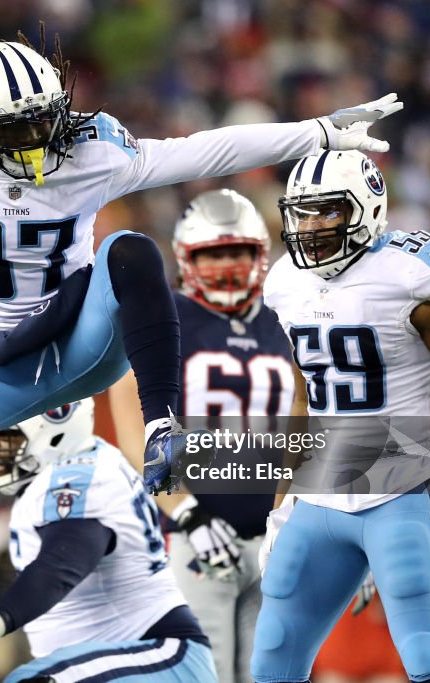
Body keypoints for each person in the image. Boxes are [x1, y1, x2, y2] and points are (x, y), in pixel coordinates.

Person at [0, 29, 403, 655]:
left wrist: (318, 133)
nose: (34, 142)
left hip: (83, 340)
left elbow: (202, 151)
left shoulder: (90, 153)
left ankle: (162, 422)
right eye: (13, 130)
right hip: (0, 364)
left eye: (41, 122)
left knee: (128, 248)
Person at [251, 150, 430, 683]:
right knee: (272, 656)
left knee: (426, 659)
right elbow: (305, 397)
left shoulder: (412, 274)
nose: (309, 227)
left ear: (365, 210)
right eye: (301, 213)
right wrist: (282, 504)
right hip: (318, 492)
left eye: (326, 212)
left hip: (398, 491)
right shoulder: (285, 281)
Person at [108, 189, 294, 683]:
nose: (227, 265)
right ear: (187, 258)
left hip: (280, 536)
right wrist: (187, 512)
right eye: (213, 254)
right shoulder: (165, 315)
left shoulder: (289, 316)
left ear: (262, 254)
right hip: (193, 535)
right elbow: (134, 431)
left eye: (238, 252)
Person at [0, 398, 217, 681]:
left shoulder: (78, 476)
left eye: (9, 436)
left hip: (152, 652)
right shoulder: (74, 469)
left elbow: (61, 563)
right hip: (126, 659)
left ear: (54, 431)